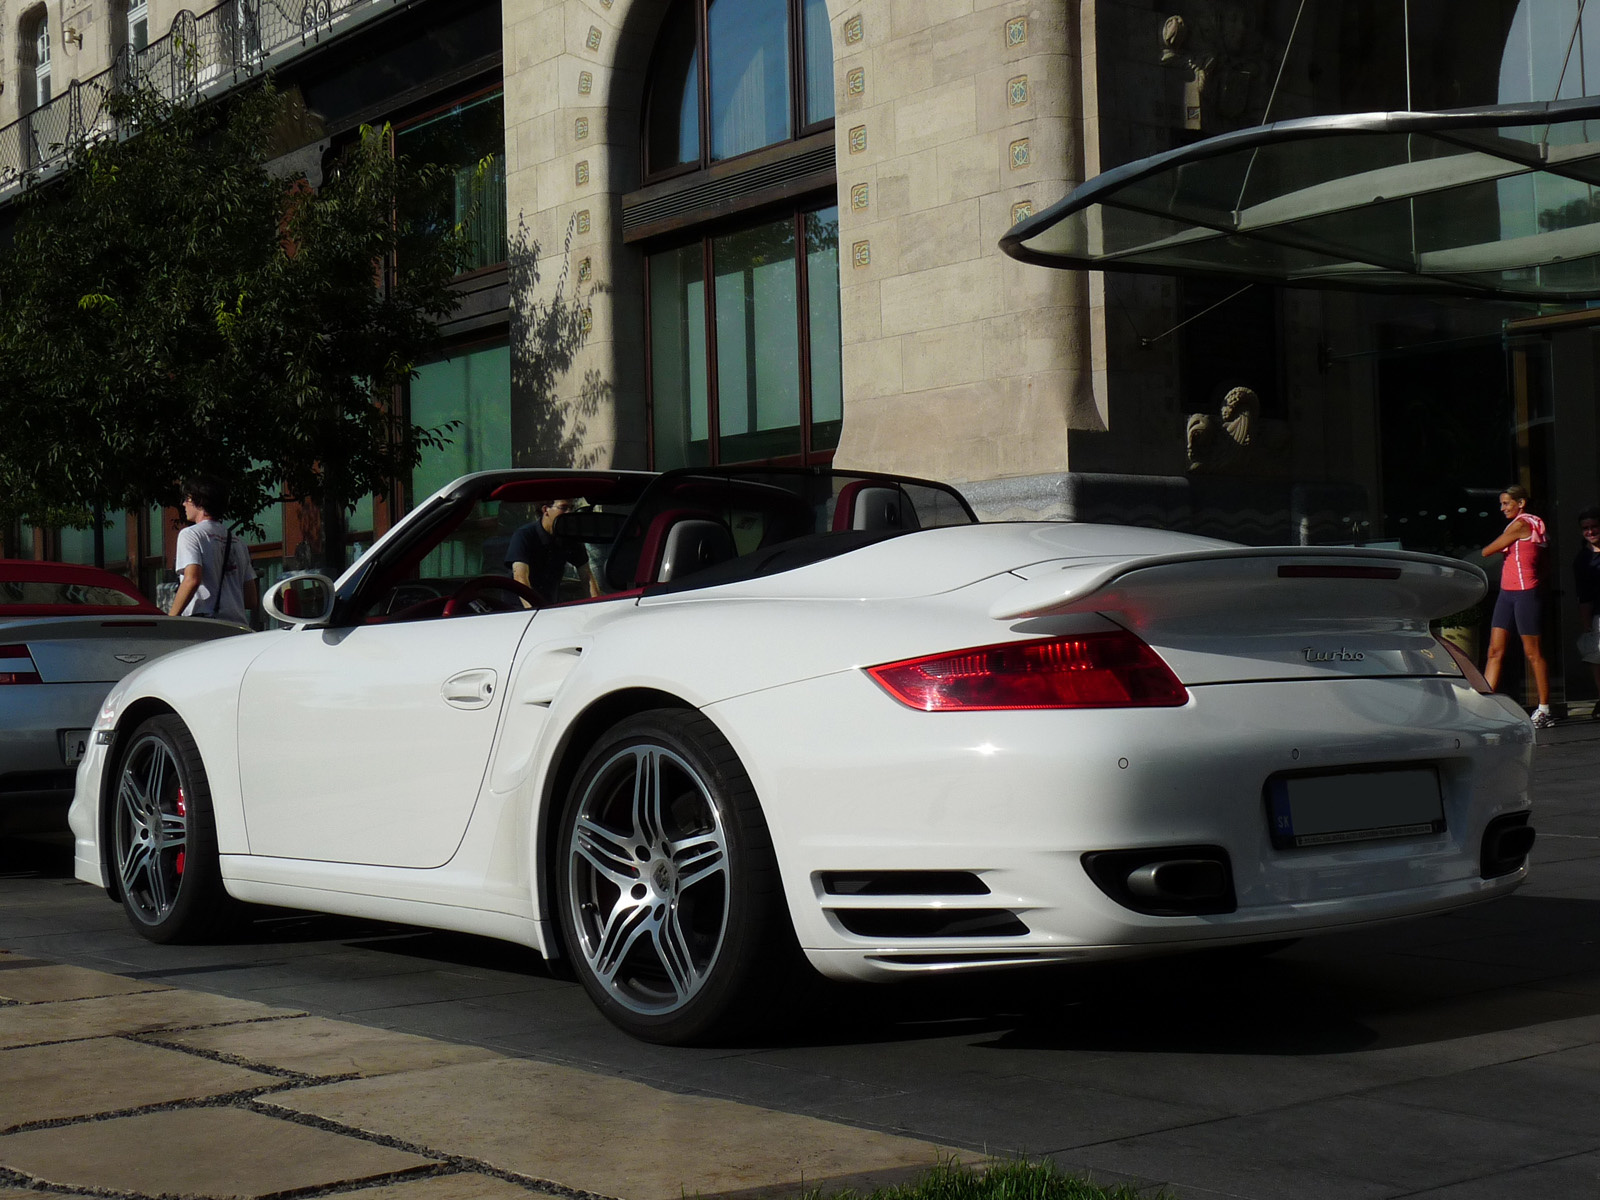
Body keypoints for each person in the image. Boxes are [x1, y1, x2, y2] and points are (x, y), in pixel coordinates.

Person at [1481, 484, 1552, 727]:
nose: (1502, 508)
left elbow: (1487, 551)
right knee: (1494, 650)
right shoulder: (1519, 525)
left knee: (1532, 652)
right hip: (1506, 593)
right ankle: (1485, 704)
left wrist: (1499, 546)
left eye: (1506, 503)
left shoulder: (1522, 525)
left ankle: (1544, 709)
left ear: (1520, 503)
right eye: (1501, 504)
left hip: (1524, 593)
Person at [169, 477, 258, 626]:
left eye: (187, 499)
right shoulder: (238, 542)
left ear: (199, 501)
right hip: (237, 627)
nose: (184, 504)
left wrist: (171, 619)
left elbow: (192, 579)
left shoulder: (191, 535)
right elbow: (251, 599)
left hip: (205, 625)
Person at [505, 498, 594, 606]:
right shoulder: (524, 535)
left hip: (550, 609)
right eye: (563, 508)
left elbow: (587, 577)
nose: (569, 513)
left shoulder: (569, 538)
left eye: (571, 508)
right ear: (545, 510)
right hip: (518, 612)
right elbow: (520, 578)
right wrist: (534, 612)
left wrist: (598, 606)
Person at [1573, 506, 1600, 717]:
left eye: (1594, 527)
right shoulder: (1582, 560)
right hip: (1597, 615)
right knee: (1596, 658)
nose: (1590, 531)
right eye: (1585, 528)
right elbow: (1584, 595)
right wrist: (1586, 624)